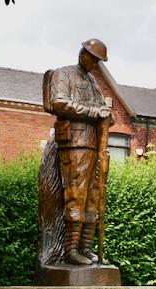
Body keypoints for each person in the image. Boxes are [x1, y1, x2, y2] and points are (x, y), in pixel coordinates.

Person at [43, 38, 113, 265]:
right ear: (82, 53)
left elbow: (103, 109)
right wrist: (95, 113)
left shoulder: (92, 81)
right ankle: (70, 250)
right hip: (75, 142)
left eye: (98, 62)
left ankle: (85, 248)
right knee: (76, 195)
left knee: (93, 196)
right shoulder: (63, 74)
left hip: (95, 145)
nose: (94, 65)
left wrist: (106, 114)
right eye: (93, 59)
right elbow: (59, 102)